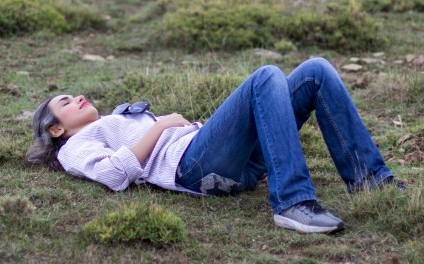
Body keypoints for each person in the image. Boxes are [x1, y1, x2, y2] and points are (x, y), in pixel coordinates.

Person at [25, 57, 403, 234]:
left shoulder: (112, 120)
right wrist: (165, 126)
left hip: (232, 161)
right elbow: (112, 175)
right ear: (56, 130)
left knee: (316, 71)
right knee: (264, 77)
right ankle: (292, 202)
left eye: (75, 94)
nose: (78, 97)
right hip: (195, 169)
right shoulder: (74, 147)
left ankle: (369, 178)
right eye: (65, 102)